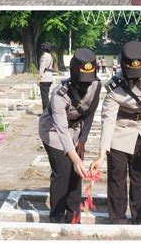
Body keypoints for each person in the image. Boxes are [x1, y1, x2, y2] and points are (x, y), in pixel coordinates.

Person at [90, 41, 141, 224]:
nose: (134, 77)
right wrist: (102, 153)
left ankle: (140, 218)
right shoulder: (113, 87)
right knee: (117, 180)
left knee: (139, 178)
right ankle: (117, 218)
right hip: (120, 134)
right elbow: (108, 121)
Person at [39, 48, 102, 223]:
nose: (86, 85)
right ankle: (57, 217)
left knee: (76, 174)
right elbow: (60, 129)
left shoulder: (96, 85)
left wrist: (82, 141)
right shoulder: (59, 94)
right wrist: (75, 158)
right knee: (63, 170)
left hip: (75, 129)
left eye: (89, 81)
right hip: (52, 130)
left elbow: (89, 115)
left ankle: (73, 216)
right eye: (82, 82)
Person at [37, 42, 54, 112]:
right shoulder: (50, 56)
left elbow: (42, 68)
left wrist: (39, 78)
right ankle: (47, 111)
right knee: (46, 95)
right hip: (50, 77)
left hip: (44, 78)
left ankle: (45, 112)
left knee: (44, 97)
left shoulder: (44, 56)